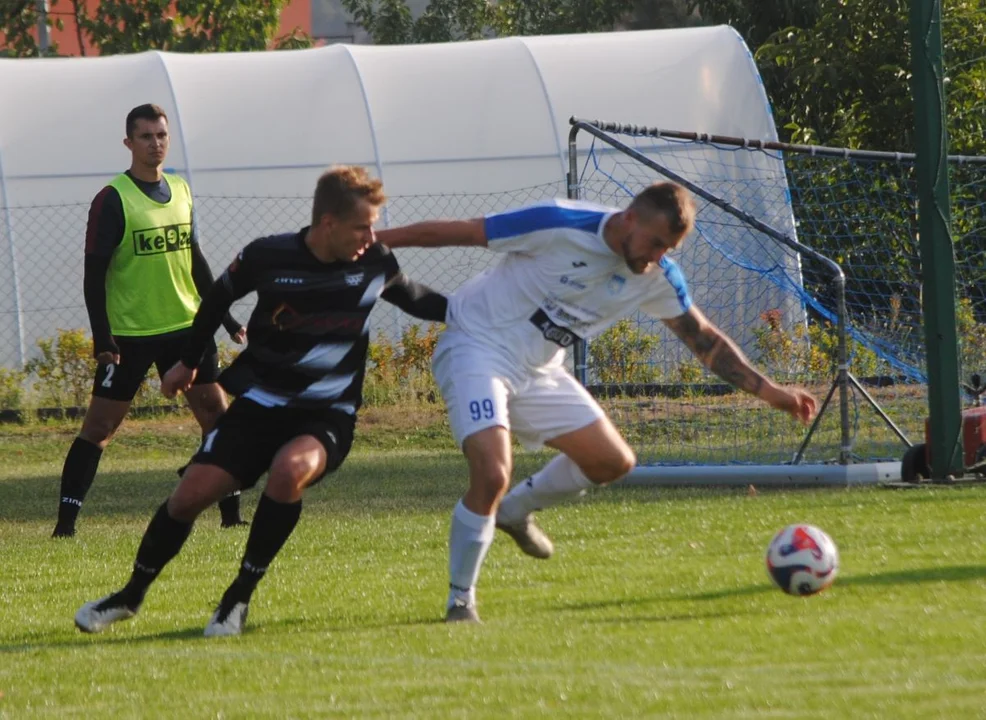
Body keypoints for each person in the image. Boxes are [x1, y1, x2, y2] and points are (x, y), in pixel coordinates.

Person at [377, 183, 819, 623]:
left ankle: (515, 511)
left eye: (669, 249)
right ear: (629, 219)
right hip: (477, 346)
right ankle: (460, 600)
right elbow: (463, 232)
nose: (657, 257)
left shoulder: (656, 276)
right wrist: (375, 242)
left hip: (540, 371)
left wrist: (771, 392)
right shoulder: (559, 222)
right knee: (492, 473)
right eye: (655, 243)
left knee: (613, 462)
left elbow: (703, 340)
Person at [74, 165, 448, 637]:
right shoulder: (267, 256)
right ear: (328, 222)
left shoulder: (374, 260)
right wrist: (187, 362)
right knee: (189, 495)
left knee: (290, 470)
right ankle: (129, 597)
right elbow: (215, 299)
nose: (372, 236)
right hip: (260, 405)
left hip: (327, 413)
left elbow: (417, 298)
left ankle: (236, 600)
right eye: (362, 226)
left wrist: (478, 311)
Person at [53, 103, 247, 538]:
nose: (155, 143)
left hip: (186, 329)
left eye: (161, 135)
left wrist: (226, 317)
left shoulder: (181, 189)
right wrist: (103, 338)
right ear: (129, 143)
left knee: (218, 419)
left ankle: (232, 517)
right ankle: (65, 526)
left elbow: (195, 262)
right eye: (145, 136)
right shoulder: (113, 199)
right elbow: (93, 275)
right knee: (99, 429)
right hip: (130, 336)